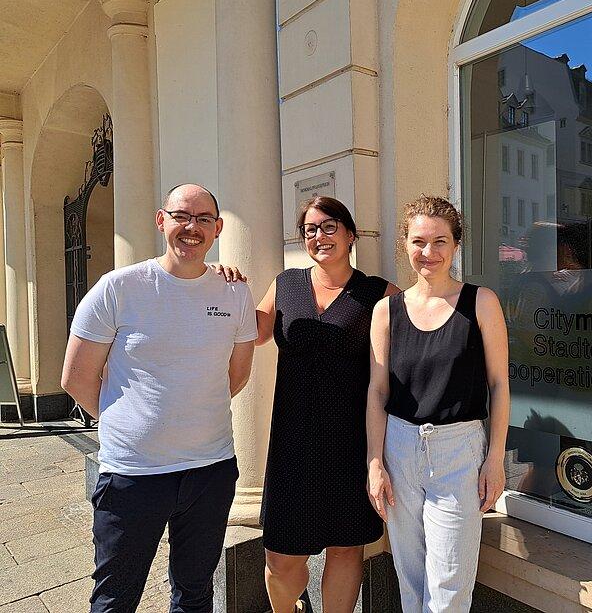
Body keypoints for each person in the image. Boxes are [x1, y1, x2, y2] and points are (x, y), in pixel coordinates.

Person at [61, 183, 257, 613]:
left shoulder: (235, 293)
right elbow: (76, 378)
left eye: (204, 219)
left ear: (218, 228)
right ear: (161, 220)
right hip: (133, 475)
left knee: (195, 593)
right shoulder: (119, 288)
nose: (192, 227)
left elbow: (236, 375)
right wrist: (129, 422)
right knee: (115, 598)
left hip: (210, 470)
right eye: (182, 216)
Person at [366, 196, 510, 612]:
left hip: (459, 451)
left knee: (448, 589)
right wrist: (375, 463)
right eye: (419, 242)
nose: (428, 253)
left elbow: (499, 385)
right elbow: (377, 392)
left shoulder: (480, 303)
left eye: (440, 241)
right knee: (410, 581)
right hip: (399, 446)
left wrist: (494, 458)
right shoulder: (386, 311)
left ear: (456, 245)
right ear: (406, 245)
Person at [255, 196, 399, 613]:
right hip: (291, 443)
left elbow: (423, 329)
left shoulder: (377, 293)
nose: (320, 236)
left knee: (344, 548)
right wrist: (218, 284)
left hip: (350, 441)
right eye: (310, 229)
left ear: (351, 234)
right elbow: (250, 330)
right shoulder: (286, 285)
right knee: (281, 558)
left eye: (330, 226)